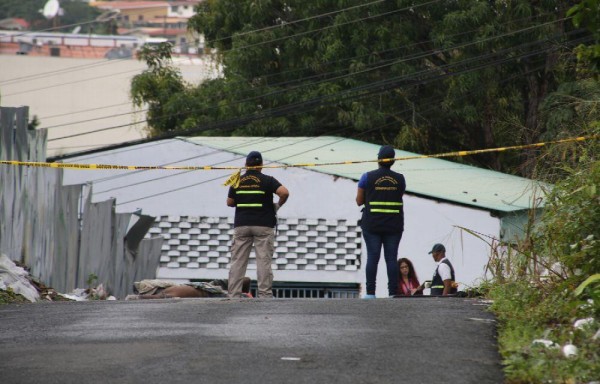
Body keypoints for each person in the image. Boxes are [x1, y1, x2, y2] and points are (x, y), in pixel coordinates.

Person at [227, 151, 289, 298]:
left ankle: (234, 294)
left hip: (242, 225)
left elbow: (229, 202)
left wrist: (243, 200)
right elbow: (284, 193)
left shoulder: (237, 180)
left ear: (246, 165)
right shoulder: (268, 180)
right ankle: (265, 294)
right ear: (261, 165)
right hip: (264, 224)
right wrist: (277, 206)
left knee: (238, 261)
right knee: (263, 260)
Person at [356, 145, 406, 298]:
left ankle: (370, 293)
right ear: (393, 161)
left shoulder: (367, 177)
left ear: (378, 159)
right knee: (391, 259)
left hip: (372, 225)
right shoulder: (400, 179)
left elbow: (359, 201)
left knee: (373, 257)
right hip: (394, 225)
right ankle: (392, 293)